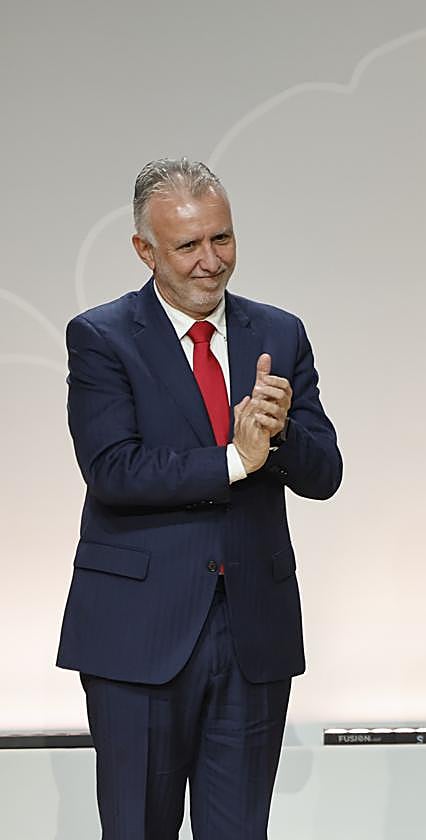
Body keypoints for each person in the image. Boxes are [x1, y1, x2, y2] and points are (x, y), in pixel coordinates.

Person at [56, 159, 342, 839]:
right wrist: (236, 460)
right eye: (188, 245)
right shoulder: (101, 338)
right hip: (139, 636)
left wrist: (279, 435)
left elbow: (325, 472)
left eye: (223, 239)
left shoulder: (279, 333)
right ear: (144, 251)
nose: (211, 261)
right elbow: (114, 471)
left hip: (253, 634)